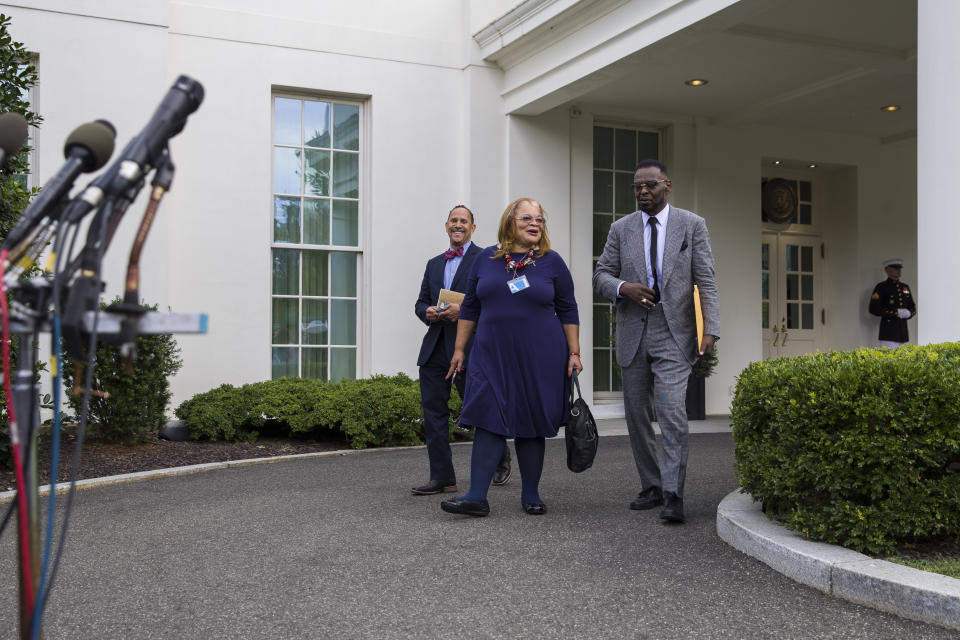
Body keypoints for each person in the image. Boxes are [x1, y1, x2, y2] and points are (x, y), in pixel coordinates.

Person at [593, 160, 719, 524]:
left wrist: (710, 329)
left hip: (675, 333)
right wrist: (623, 288)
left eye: (649, 185)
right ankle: (651, 486)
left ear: (667, 185)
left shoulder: (691, 225)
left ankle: (673, 493)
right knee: (636, 415)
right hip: (634, 333)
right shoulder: (621, 228)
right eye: (637, 187)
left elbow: (706, 280)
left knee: (672, 412)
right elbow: (600, 275)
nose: (642, 192)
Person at [440, 197, 581, 517]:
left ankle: (531, 494)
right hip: (491, 353)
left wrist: (574, 352)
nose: (535, 224)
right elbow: (471, 307)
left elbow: (568, 308)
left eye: (540, 220)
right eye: (526, 219)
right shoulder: (486, 260)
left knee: (531, 421)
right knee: (488, 416)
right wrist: (460, 349)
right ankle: (476, 496)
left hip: (540, 355)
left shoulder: (552, 261)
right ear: (509, 223)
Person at [412, 205, 511, 495]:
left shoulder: (487, 258)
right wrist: (426, 311)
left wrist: (465, 308)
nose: (458, 225)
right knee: (434, 415)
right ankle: (442, 478)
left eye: (463, 221)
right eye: (453, 221)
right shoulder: (433, 263)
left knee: (479, 408)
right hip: (434, 349)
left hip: (470, 348)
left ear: (473, 228)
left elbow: (499, 297)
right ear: (446, 227)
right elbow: (420, 302)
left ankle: (501, 457)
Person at [868, 258, 916, 349]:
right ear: (887, 270)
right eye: (895, 268)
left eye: (899, 269)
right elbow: (873, 308)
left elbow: (912, 307)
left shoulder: (905, 287)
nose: (898, 271)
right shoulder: (881, 287)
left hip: (903, 333)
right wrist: (895, 313)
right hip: (888, 333)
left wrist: (909, 313)